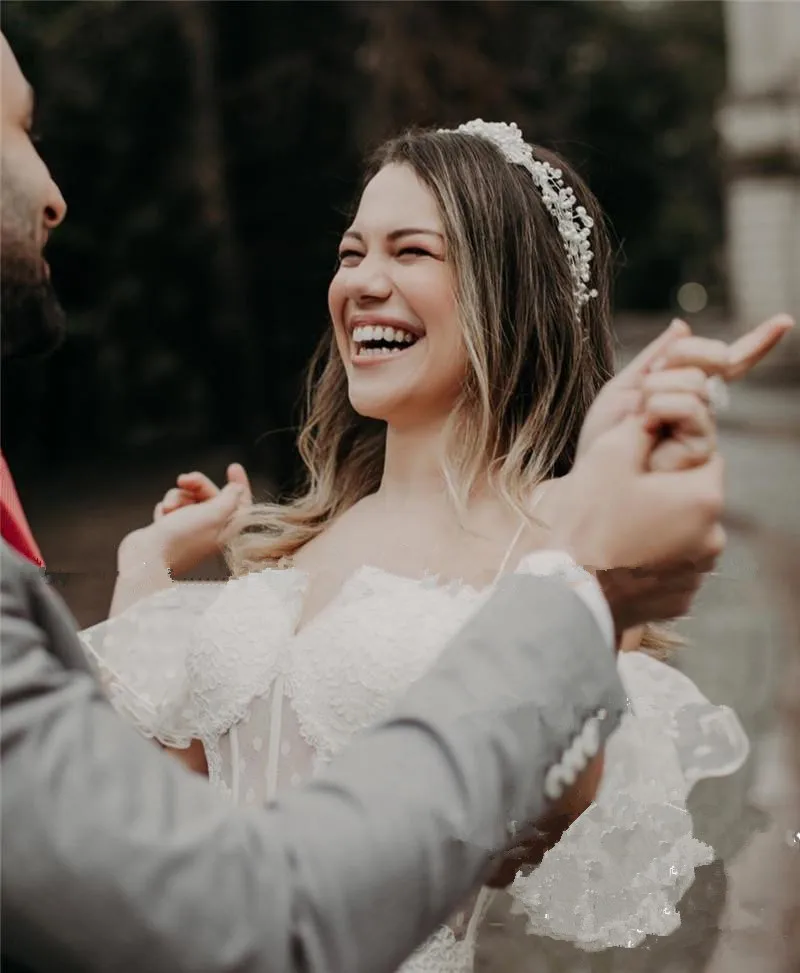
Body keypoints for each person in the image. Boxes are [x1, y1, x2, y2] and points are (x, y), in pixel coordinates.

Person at [0, 31, 753, 973]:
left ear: (504, 290)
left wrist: (597, 578)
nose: (360, 281)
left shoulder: (554, 558)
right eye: (352, 250)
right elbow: (149, 821)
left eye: (410, 250)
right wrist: (143, 570)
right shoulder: (287, 545)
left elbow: (548, 821)